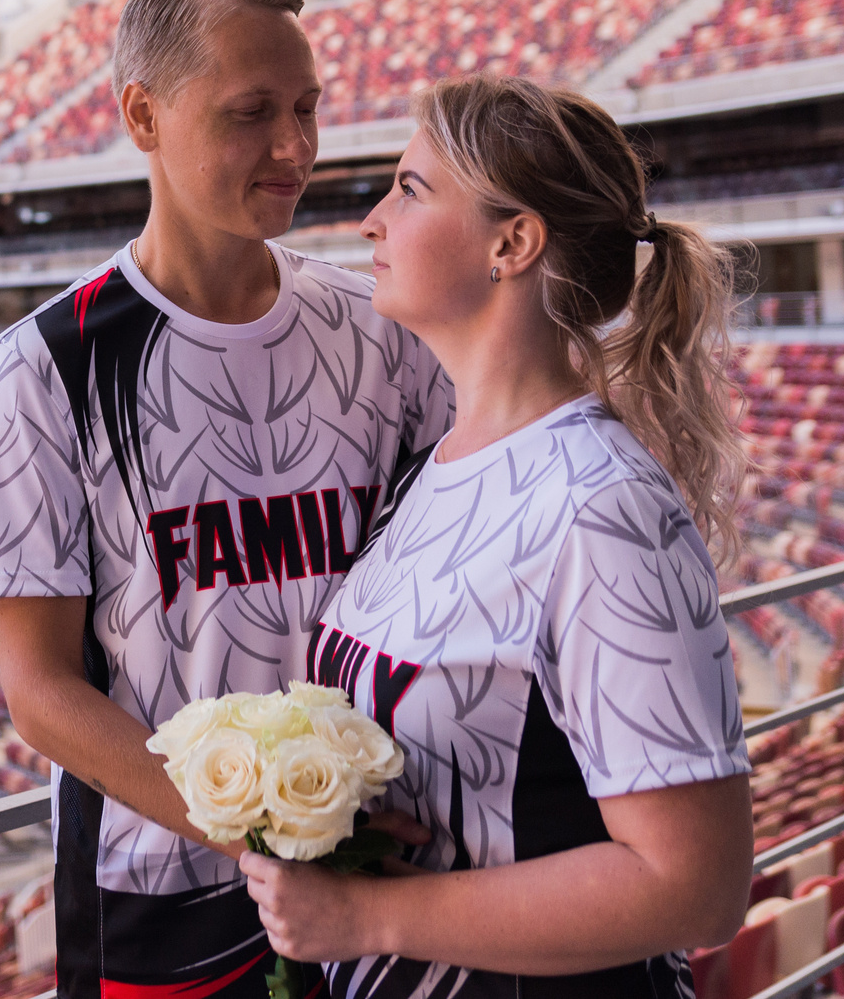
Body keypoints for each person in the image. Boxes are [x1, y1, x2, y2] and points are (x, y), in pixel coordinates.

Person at [0, 0, 454, 999]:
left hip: (387, 861)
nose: (295, 147)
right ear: (143, 115)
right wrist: (267, 834)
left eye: (306, 109)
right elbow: (40, 688)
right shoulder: (47, 364)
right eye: (251, 113)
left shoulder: (381, 329)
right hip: (158, 892)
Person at [240, 73, 753, 998]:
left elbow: (696, 885)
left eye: (410, 189)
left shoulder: (604, 509)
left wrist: (370, 917)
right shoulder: (427, 471)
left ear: (511, 243)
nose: (372, 221)